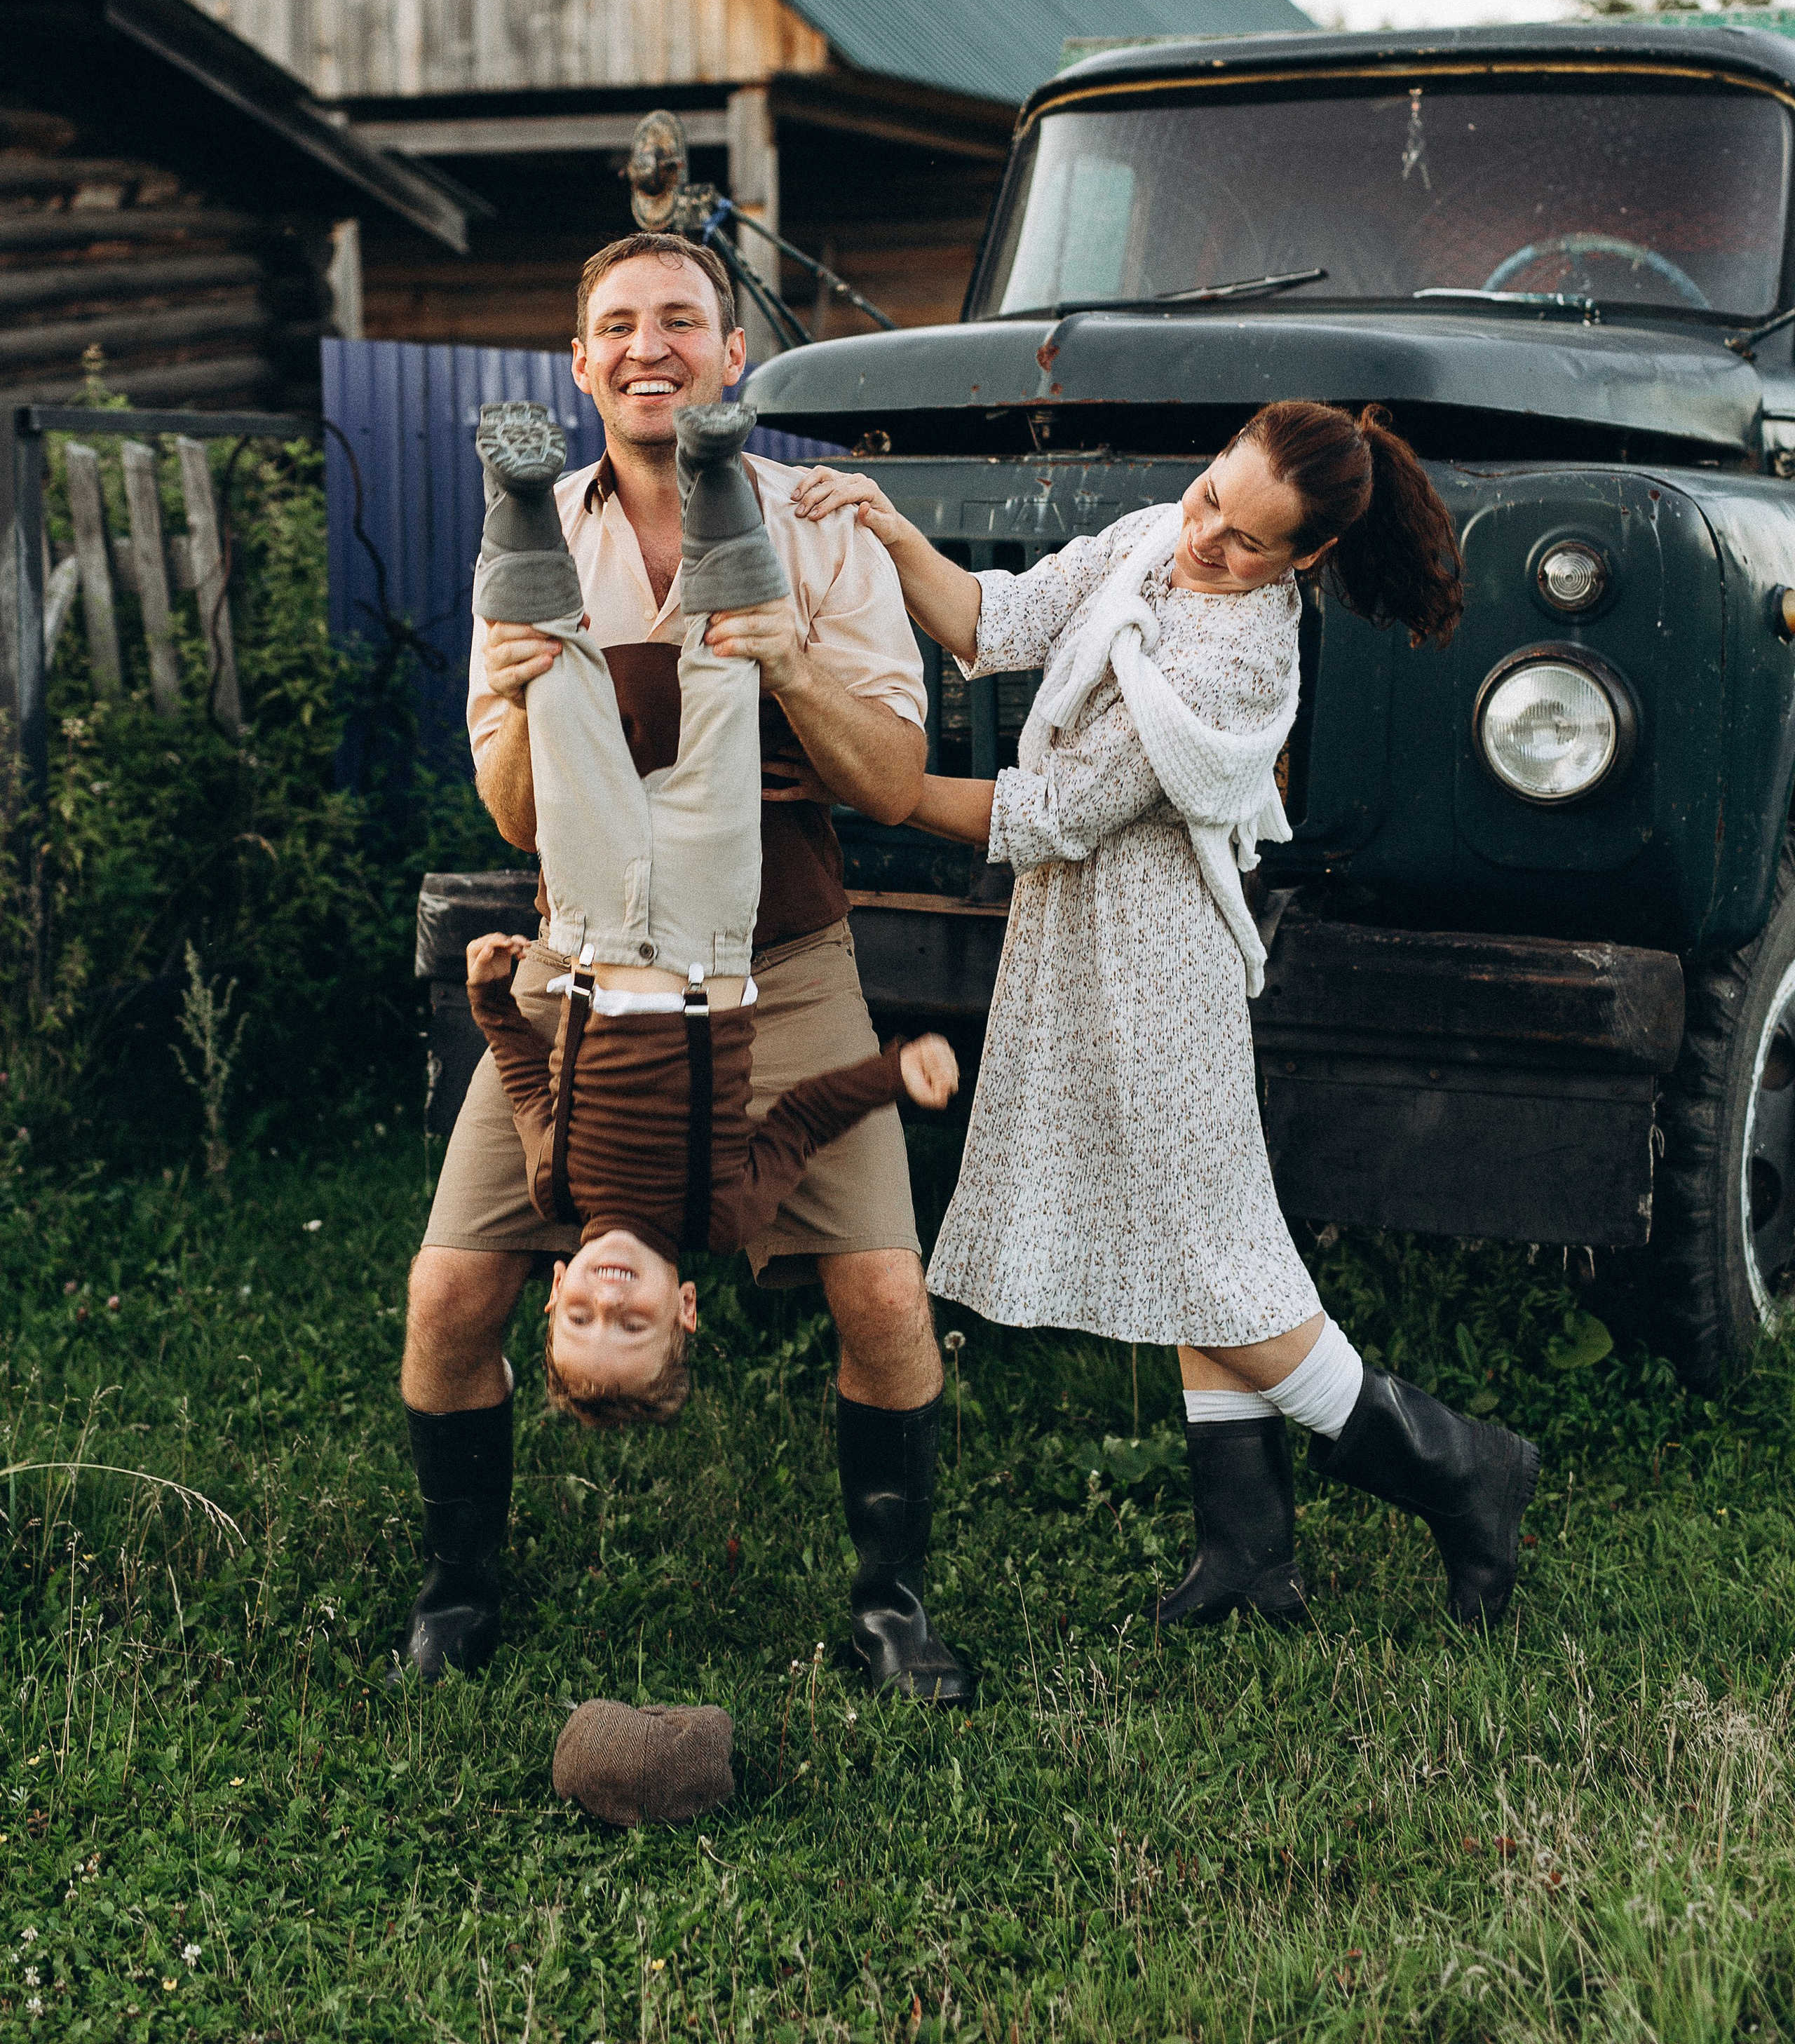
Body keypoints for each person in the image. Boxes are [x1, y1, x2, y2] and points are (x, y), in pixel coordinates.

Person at [792, 402, 1542, 1632]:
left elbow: (1056, 813)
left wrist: (874, 780)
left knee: (1211, 1256)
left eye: (1249, 542)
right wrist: (885, 527)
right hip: (1081, 943)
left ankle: (1461, 1469)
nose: (1206, 540)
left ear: (1303, 561)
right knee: (1198, 1246)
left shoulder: (1239, 658)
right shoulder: (1156, 535)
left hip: (1159, 965)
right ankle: (1246, 1559)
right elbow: (1005, 618)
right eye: (1208, 499)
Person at [398, 233, 972, 1705]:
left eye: (679, 322)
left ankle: (892, 1606)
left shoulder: (823, 526)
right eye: (616, 327)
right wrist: (527, 704)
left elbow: (896, 773)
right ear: (581, 365)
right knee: (448, 1298)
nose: (648, 346)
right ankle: (458, 1592)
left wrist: (781, 663)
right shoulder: (527, 542)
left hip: (775, 964)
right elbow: (515, 813)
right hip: (579, 972)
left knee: (888, 1303)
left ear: (729, 358)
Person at [460, 392, 957, 1427]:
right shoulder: (725, 1210)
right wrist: (894, 1074)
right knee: (727, 696)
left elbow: (523, 1081)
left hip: (590, 927)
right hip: (720, 936)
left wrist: (492, 1003)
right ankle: (719, 481)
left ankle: (514, 505)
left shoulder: (555, 1193)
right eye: (630, 1325)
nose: (606, 1302)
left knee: (560, 705)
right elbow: (811, 1115)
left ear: (553, 1292)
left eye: (580, 1318)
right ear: (685, 1307)